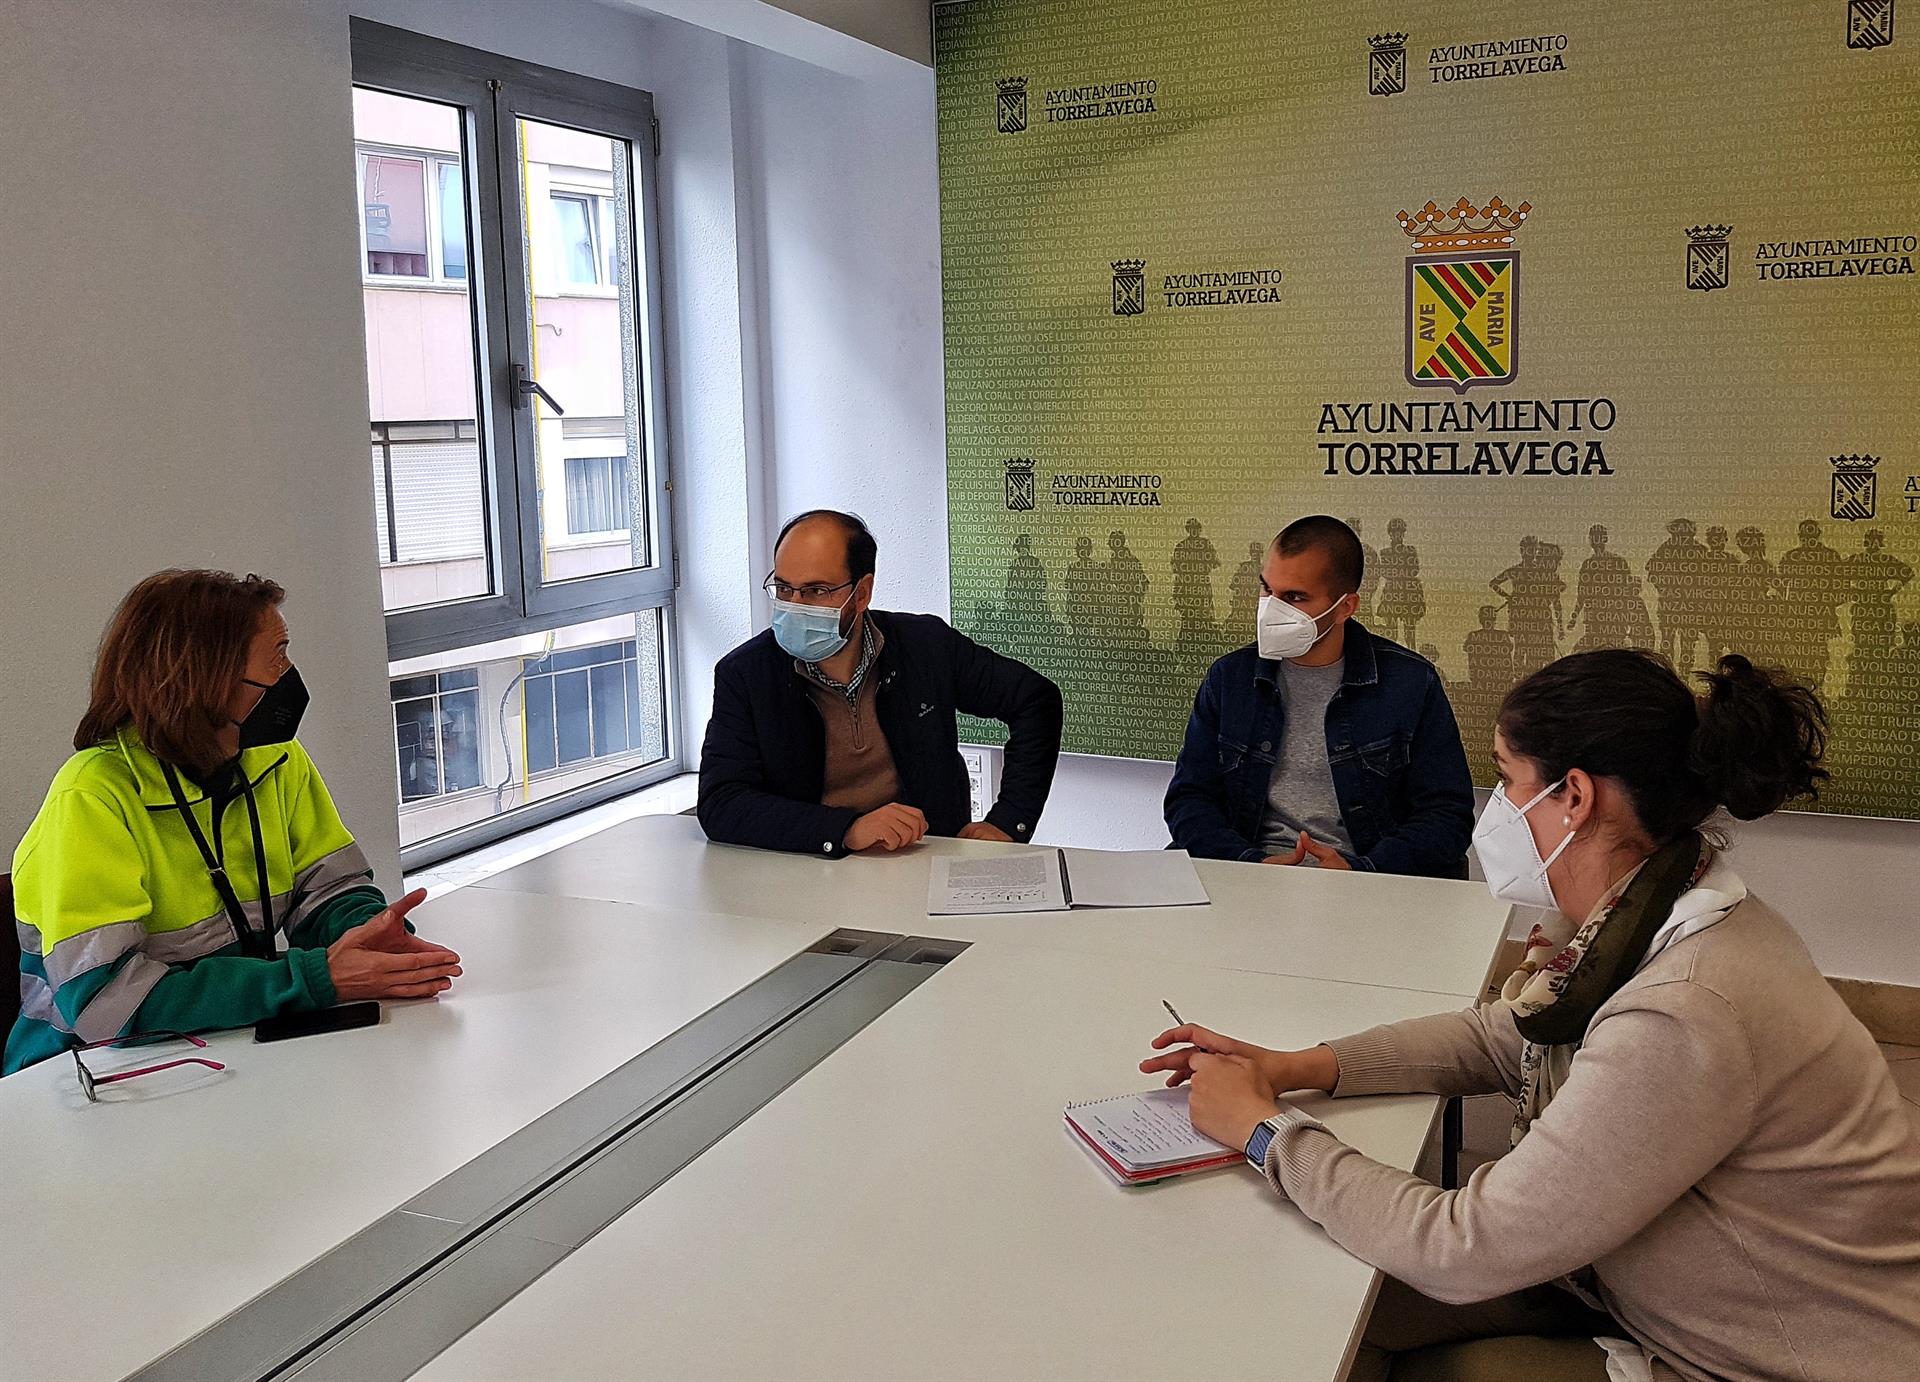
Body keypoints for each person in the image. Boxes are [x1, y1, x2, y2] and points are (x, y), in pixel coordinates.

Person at [1144, 649, 1920, 1381]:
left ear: (1573, 797)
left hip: (1759, 1359)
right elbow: (1503, 1033)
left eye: (1507, 778)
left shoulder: (1685, 1009)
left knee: (1389, 1344)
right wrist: (1291, 1066)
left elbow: (1463, 1248)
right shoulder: (1661, 901)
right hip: (1634, 1281)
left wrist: (1266, 1134)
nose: (1497, 806)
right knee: (1333, 1301)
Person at [5, 571, 463, 1075]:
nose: (289, 673)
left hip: (227, 1045)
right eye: (278, 655)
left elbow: (330, 889)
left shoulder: (276, 757)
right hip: (83, 1075)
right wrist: (314, 979)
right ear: (206, 676)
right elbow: (108, 1004)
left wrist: (368, 934)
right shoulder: (92, 796)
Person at [698, 510, 1063, 857]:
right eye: (783, 588)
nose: (795, 605)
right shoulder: (745, 675)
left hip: (925, 857)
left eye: (816, 591)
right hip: (809, 866)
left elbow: (1035, 701)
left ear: (861, 593)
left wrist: (1009, 821)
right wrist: (845, 829)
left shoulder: (925, 646)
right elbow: (721, 802)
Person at [1163, 516, 1475, 877]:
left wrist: (1363, 869)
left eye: (1294, 597)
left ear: (1345, 607)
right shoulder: (1229, 678)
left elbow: (1446, 815)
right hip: (1251, 873)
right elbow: (1190, 799)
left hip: (1366, 881)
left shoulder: (1411, 683)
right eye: (1267, 589)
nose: (1272, 609)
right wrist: (1252, 862)